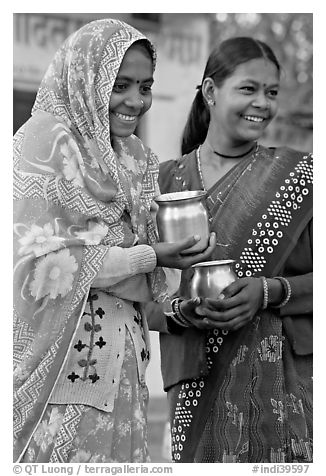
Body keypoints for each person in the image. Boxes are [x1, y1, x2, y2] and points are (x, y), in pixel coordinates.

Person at [13, 18, 216, 463]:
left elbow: (146, 280)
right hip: (60, 375)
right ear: (87, 79)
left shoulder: (138, 159)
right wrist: (145, 257)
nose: (136, 101)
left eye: (145, 87)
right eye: (120, 85)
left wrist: (173, 267)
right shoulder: (41, 144)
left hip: (126, 368)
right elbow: (33, 268)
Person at [147, 37, 313, 463]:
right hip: (194, 389)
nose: (262, 103)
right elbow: (135, 297)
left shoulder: (300, 179)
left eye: (272, 92)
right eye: (249, 89)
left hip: (285, 388)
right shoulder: (162, 184)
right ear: (210, 91)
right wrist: (182, 312)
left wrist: (270, 291)